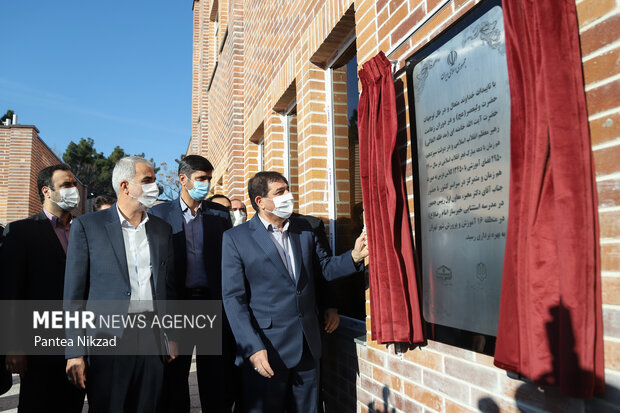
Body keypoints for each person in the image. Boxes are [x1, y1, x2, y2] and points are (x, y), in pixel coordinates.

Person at [222, 171, 368, 413]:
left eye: (288, 189)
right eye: (280, 192)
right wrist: (252, 347)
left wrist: (354, 256)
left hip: (307, 344)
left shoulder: (304, 230)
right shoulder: (236, 238)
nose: (288, 196)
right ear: (260, 202)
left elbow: (323, 270)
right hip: (267, 347)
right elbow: (234, 299)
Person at [63, 156, 176, 413]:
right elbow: (74, 296)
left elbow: (168, 287)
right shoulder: (88, 226)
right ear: (125, 186)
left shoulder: (161, 229)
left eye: (155, 181)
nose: (154, 187)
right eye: (147, 180)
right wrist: (75, 352)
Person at [150, 155, 238, 412]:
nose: (207, 184)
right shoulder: (159, 214)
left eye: (209, 179)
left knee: (215, 379)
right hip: (178, 305)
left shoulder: (219, 214)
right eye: (201, 179)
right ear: (183, 179)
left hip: (211, 303)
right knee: (174, 378)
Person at [0, 164, 85, 412]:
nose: (74, 190)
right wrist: (13, 344)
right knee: (37, 404)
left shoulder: (86, 229)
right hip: (39, 341)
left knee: (72, 404)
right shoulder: (21, 231)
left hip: (80, 339)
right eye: (66, 185)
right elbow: (10, 291)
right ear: (46, 191)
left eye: (74, 185)